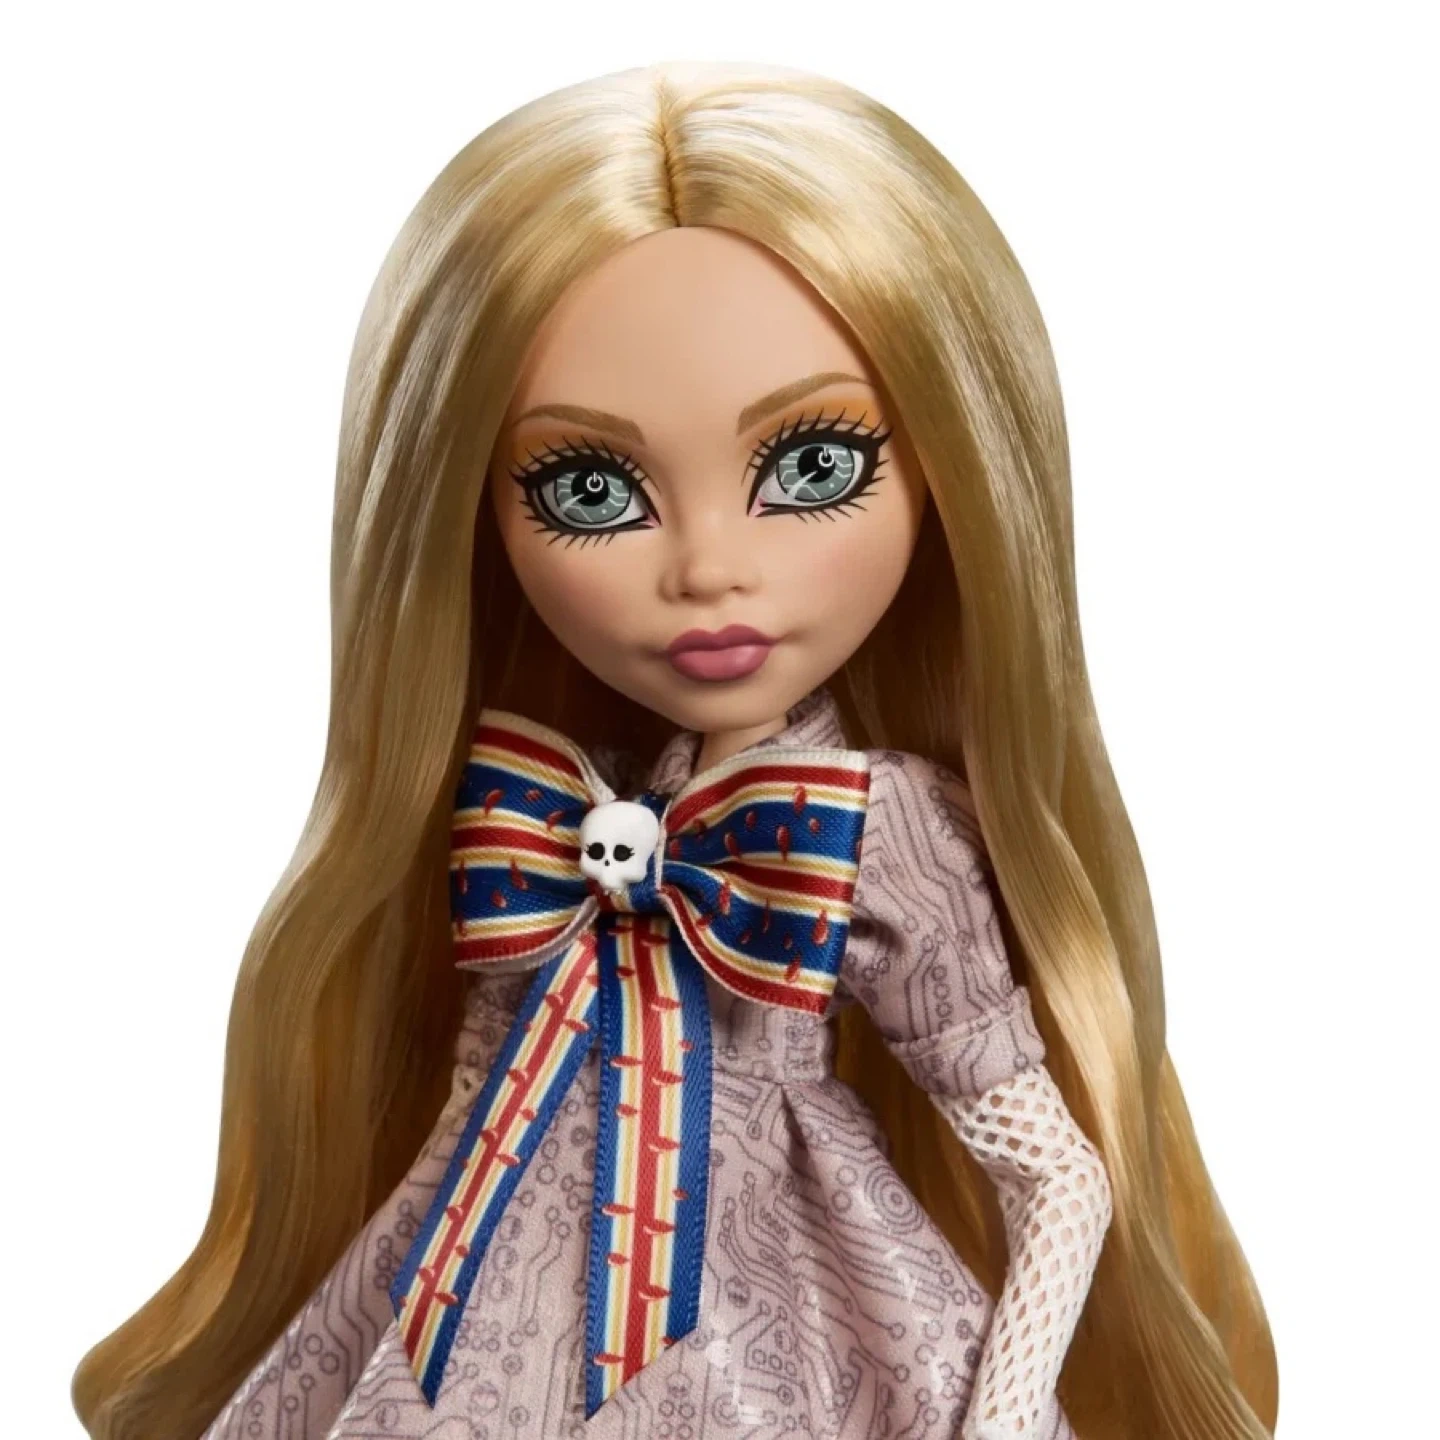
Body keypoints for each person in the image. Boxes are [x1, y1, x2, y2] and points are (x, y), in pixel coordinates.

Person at [72, 61, 1278, 1440]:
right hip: (492, 1316)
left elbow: (1057, 1178)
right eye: (591, 489)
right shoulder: (532, 808)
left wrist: (1001, 1415)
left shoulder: (874, 827)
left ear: (956, 469)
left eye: (813, 467)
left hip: (792, 1334)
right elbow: (475, 1088)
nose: (708, 568)